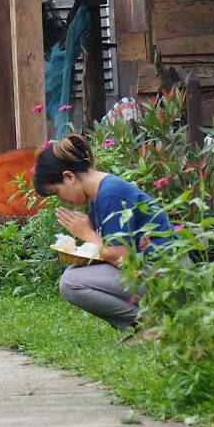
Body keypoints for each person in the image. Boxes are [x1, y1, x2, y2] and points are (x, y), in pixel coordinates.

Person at [33, 134, 176, 335]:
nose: (62, 199)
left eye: (57, 192)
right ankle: (151, 326)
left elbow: (124, 259)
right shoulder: (100, 194)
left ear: (69, 177)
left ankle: (156, 326)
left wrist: (88, 234)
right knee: (74, 275)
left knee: (71, 282)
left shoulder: (111, 193)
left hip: (170, 275)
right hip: (152, 271)